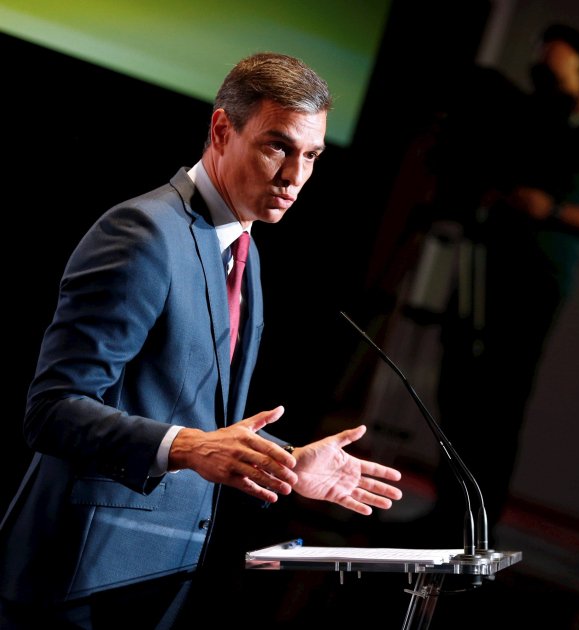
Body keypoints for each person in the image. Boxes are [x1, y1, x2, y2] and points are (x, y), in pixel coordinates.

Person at [0, 51, 403, 629]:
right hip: (74, 577)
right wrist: (190, 448)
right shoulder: (143, 234)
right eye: (277, 147)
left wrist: (288, 462)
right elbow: (52, 410)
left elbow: (202, 420)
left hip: (156, 579)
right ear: (221, 130)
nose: (295, 177)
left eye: (311, 155)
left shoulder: (244, 250)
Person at [418, 22, 579, 546]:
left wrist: (551, 210)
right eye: (539, 74)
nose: (544, 86)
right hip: (486, 261)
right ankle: (446, 513)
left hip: (538, 283)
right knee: (458, 387)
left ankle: (475, 532)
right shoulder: (532, 118)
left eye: (554, 75)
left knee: (500, 403)